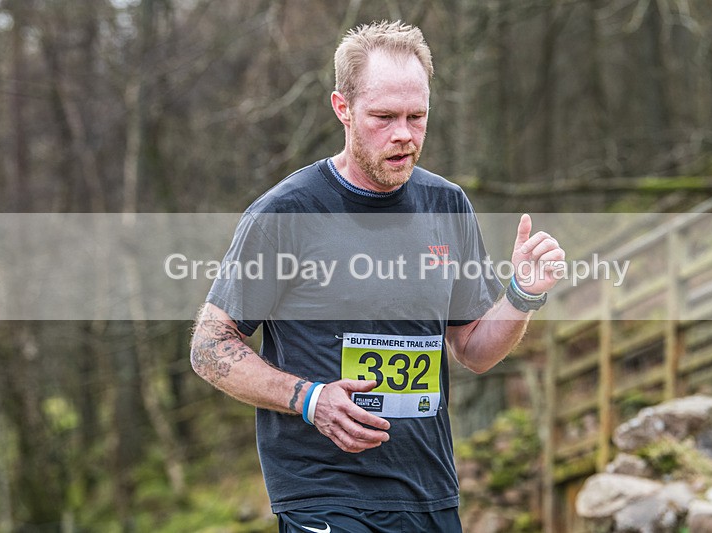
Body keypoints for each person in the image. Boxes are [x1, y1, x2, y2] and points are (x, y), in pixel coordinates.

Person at [190, 20, 564, 533]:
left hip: (427, 491)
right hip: (324, 493)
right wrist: (309, 398)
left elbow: (474, 349)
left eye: (417, 117)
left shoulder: (447, 204)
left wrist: (521, 295)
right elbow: (210, 346)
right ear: (342, 109)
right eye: (384, 117)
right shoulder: (286, 214)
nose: (404, 135)